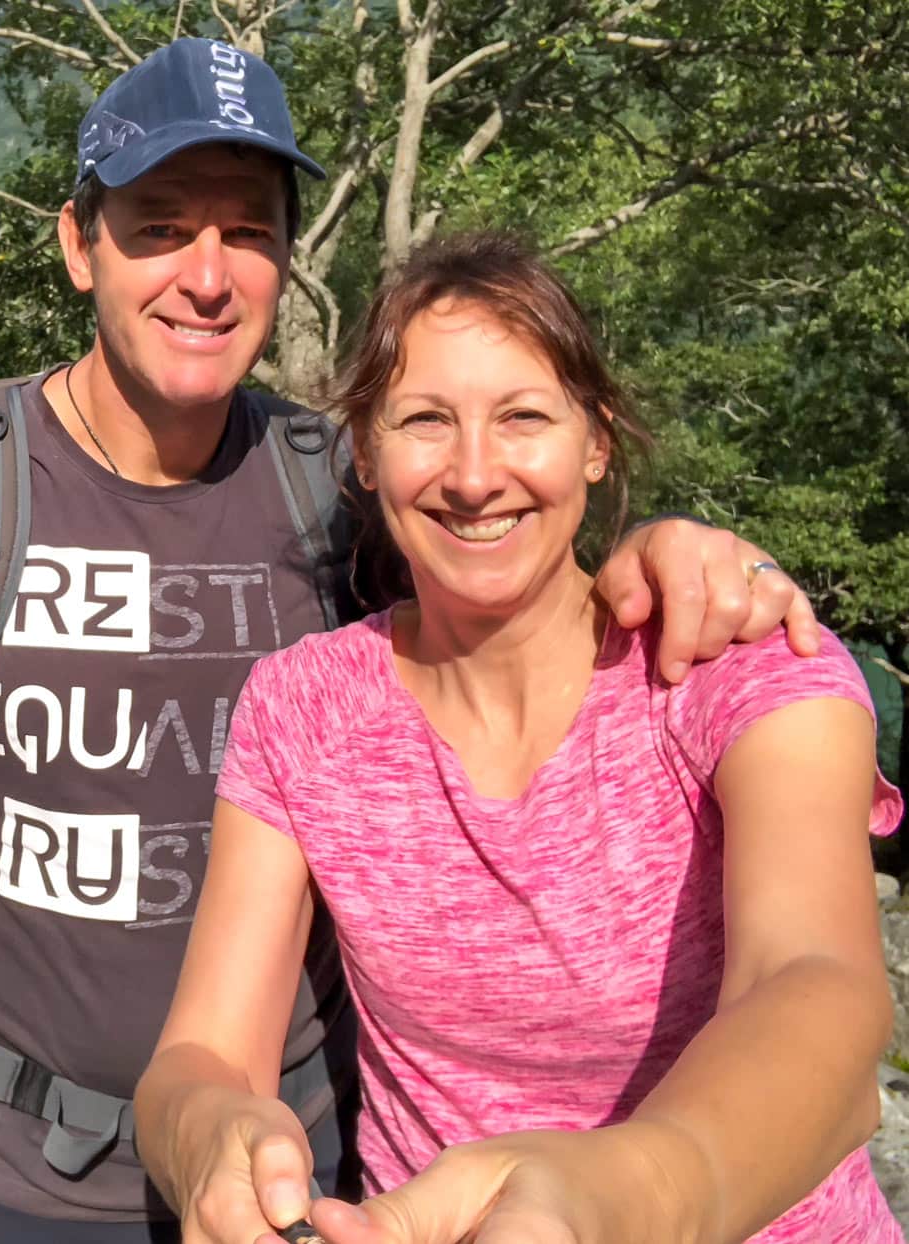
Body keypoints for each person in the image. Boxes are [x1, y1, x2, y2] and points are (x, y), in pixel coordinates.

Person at [0, 41, 824, 1244]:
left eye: (249, 230)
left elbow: (512, 573)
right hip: (2, 1169)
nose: (207, 276)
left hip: (300, 1166)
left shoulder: (343, 490)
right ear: (79, 245)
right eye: (161, 225)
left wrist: (669, 552)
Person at [133, 231, 904, 1244]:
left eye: (524, 417)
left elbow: (819, 991)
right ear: (364, 451)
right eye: (424, 421)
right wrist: (210, 1137)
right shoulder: (304, 708)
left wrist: (622, 1194)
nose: (474, 473)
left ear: (597, 437)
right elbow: (201, 1054)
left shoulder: (745, 667)